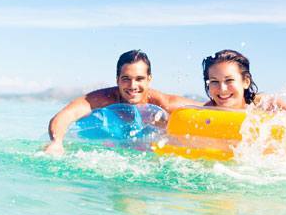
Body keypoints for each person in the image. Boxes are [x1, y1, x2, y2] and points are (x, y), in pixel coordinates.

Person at [44, 50, 201, 155]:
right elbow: (66, 115)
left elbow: (207, 109)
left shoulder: (163, 103)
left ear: (149, 79)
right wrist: (57, 142)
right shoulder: (104, 98)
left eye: (139, 79)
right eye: (126, 79)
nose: (132, 86)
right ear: (117, 79)